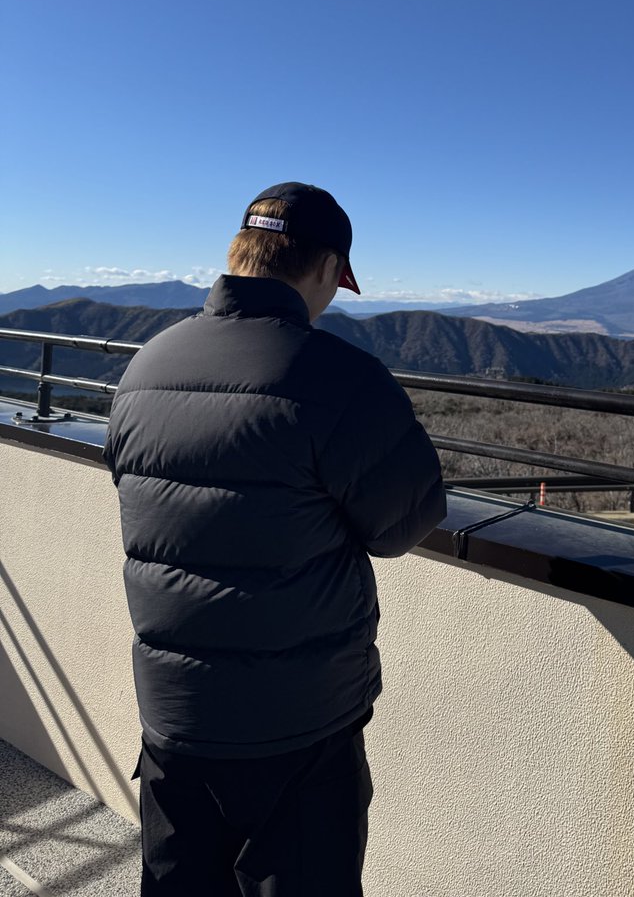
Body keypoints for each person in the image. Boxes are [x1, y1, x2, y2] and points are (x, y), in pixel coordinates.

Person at [103, 181, 446, 896]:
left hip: (172, 719)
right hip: (299, 726)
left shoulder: (142, 371)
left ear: (241, 253)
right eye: (337, 284)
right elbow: (406, 521)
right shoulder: (339, 378)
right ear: (324, 267)